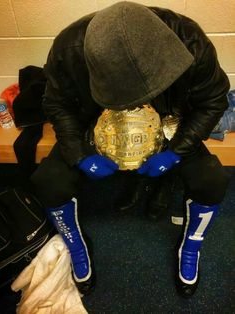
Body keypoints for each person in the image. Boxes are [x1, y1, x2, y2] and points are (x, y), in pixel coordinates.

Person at [30, 1, 230, 298]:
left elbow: (213, 100)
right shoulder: (69, 48)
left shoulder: (190, 42)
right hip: (95, 127)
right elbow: (56, 103)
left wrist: (177, 150)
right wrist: (79, 154)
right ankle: (77, 245)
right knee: (47, 181)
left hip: (168, 127)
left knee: (212, 179)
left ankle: (190, 246)